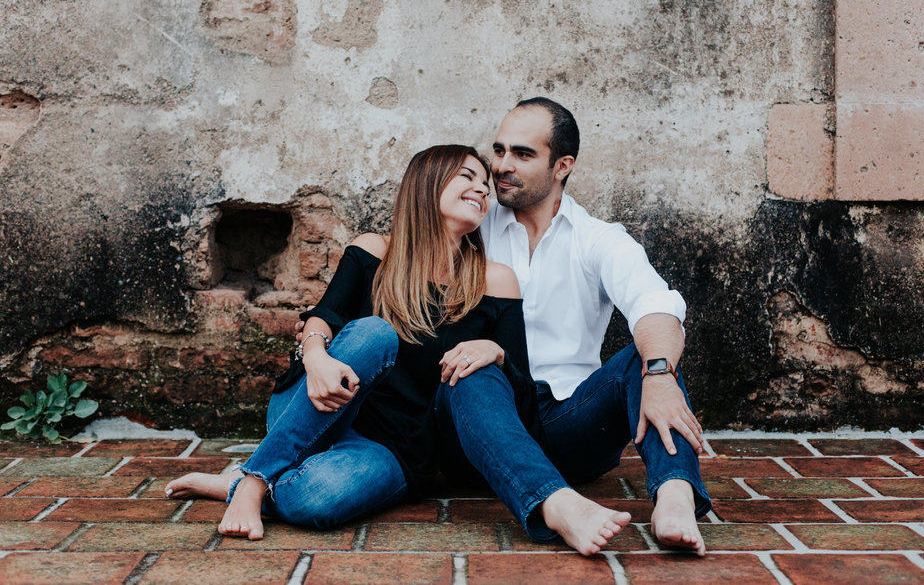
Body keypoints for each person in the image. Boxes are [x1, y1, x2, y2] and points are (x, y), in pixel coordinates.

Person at [164, 144, 630, 552]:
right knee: (374, 334)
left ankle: (250, 479)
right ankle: (253, 480)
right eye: (468, 176)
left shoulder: (495, 280)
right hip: (316, 403)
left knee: (317, 501)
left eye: (486, 184)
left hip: (396, 445)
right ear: (427, 185)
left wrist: (498, 352)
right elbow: (323, 317)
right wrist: (318, 358)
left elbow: (522, 395)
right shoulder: (374, 251)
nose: (483, 189)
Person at [438, 98, 711, 555]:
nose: (501, 166)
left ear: (562, 165)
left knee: (644, 358)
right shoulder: (473, 225)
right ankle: (558, 507)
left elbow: (655, 305)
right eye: (499, 150)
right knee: (469, 369)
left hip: (568, 423)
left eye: (522, 155)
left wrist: (659, 375)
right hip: (483, 421)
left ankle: (675, 495)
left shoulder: (598, 239)